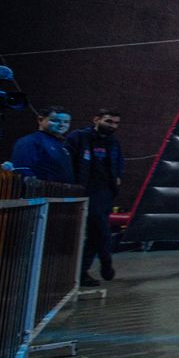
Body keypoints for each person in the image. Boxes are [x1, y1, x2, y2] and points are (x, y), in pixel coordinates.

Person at [66, 108, 125, 286]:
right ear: (96, 119)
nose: (113, 126)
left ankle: (82, 272)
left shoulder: (113, 142)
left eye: (116, 123)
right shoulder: (79, 137)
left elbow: (118, 162)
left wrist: (117, 178)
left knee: (95, 235)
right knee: (101, 231)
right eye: (109, 121)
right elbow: (68, 160)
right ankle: (106, 263)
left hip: (105, 192)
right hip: (85, 191)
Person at [9, 105, 74, 183]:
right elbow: (22, 171)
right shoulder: (30, 141)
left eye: (66, 122)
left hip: (60, 192)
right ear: (40, 120)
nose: (62, 125)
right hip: (38, 193)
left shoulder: (62, 144)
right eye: (55, 120)